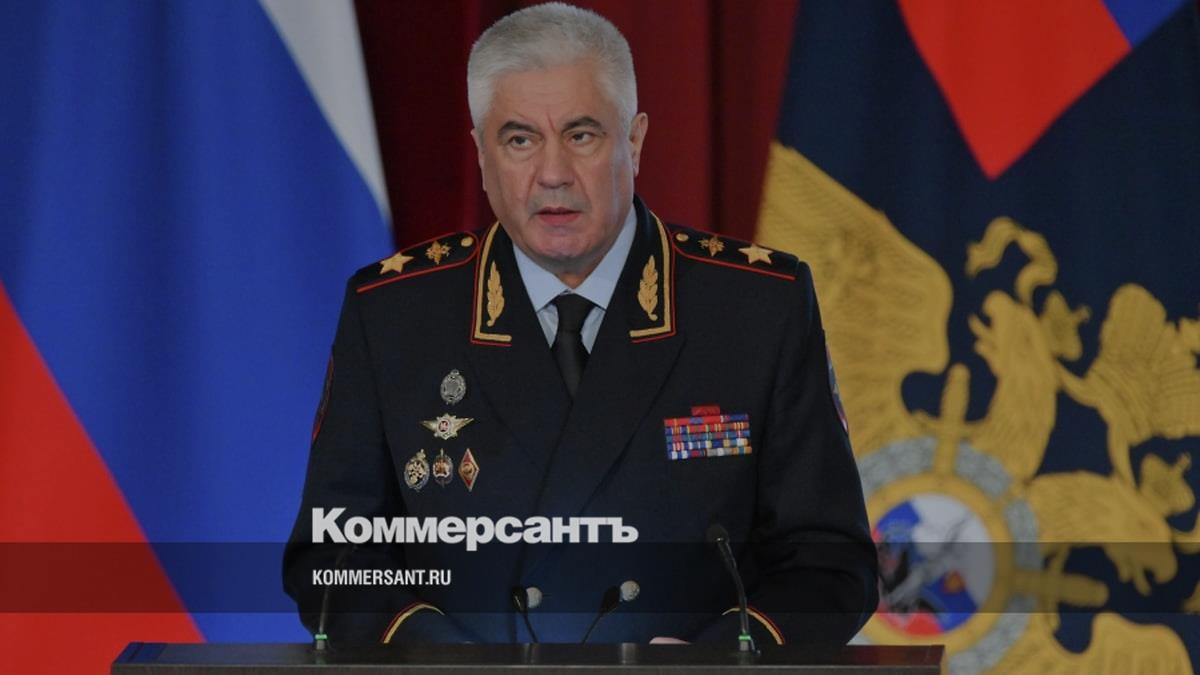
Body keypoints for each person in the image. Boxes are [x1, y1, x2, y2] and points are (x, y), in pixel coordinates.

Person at [283, 1, 877, 646]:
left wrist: (718, 660)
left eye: (582, 134)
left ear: (635, 141)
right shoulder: (394, 314)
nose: (553, 174)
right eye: (519, 139)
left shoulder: (757, 307)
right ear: (480, 153)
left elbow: (829, 562)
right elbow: (332, 559)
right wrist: (442, 660)